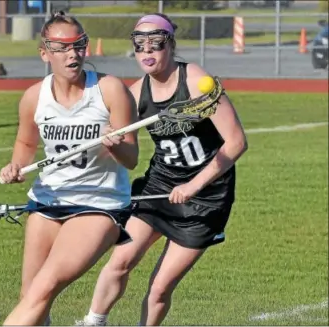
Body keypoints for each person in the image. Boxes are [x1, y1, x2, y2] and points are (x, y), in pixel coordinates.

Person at [77, 13, 248, 326]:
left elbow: (236, 142)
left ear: (170, 45)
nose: (147, 51)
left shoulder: (197, 82)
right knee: (120, 261)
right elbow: (128, 158)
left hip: (205, 198)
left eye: (155, 43)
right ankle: (93, 322)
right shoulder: (135, 93)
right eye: (139, 44)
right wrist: (113, 143)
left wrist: (193, 187)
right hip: (159, 187)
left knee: (159, 287)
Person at [0, 11, 139, 326]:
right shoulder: (34, 97)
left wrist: (116, 145)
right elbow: (25, 144)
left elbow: (132, 158)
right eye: (61, 48)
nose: (72, 54)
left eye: (79, 45)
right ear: (44, 53)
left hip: (97, 203)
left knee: (44, 288)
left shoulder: (110, 90)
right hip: (47, 201)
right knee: (31, 299)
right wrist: (17, 166)